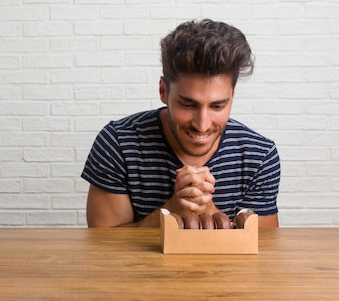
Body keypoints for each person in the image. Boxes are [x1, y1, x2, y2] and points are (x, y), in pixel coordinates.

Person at [82, 19, 280, 228]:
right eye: (187, 104)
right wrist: (174, 208)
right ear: (163, 91)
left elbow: (263, 252)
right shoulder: (118, 143)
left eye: (217, 106)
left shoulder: (260, 155)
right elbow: (103, 246)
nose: (202, 125)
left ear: (232, 96)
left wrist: (207, 209)